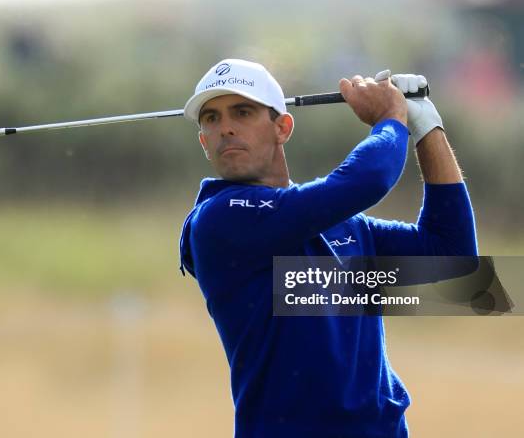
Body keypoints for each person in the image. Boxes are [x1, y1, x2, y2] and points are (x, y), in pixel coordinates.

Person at [178, 59, 477, 437]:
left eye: (242, 111)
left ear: (282, 127)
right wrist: (390, 119)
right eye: (211, 119)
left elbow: (454, 265)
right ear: (203, 141)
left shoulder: (347, 228)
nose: (226, 128)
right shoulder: (220, 220)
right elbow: (367, 179)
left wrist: (426, 127)